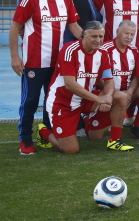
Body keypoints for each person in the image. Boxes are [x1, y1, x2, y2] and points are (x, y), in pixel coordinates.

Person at [10, 0, 83, 155]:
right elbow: (14, 27)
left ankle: (46, 133)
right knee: (30, 101)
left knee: (52, 101)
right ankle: (25, 139)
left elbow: (74, 27)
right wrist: (15, 56)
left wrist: (90, 39)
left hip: (58, 64)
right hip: (34, 62)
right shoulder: (30, 0)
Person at [34, 21, 133, 154]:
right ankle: (43, 131)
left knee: (121, 97)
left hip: (85, 100)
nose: (98, 40)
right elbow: (70, 85)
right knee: (70, 149)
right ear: (84, 35)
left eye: (101, 36)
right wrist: (98, 99)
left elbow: (109, 81)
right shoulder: (70, 50)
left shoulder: (103, 53)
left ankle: (114, 140)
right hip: (63, 103)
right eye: (94, 36)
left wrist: (108, 97)